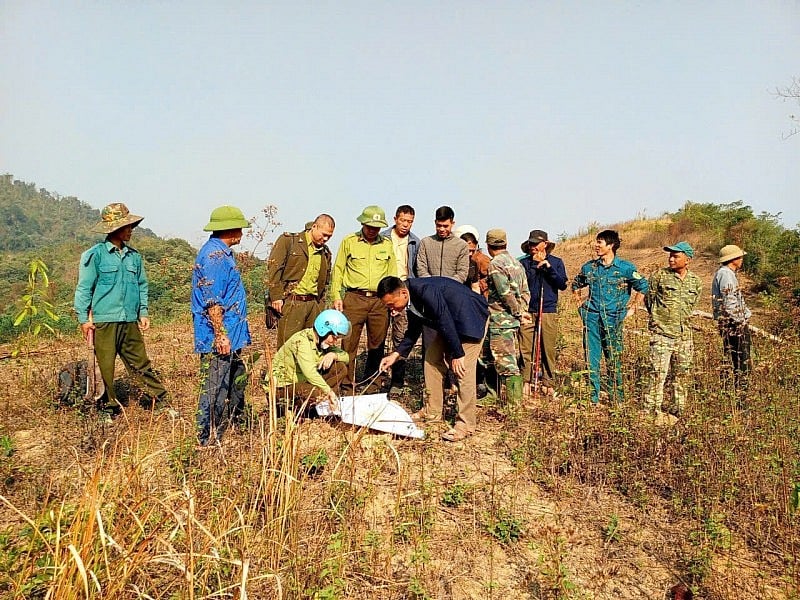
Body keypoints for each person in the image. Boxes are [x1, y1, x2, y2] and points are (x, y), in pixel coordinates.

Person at [74, 203, 168, 416]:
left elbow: (142, 285)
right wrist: (83, 319)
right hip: (104, 321)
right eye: (127, 226)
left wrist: (143, 312)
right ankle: (107, 408)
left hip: (129, 320)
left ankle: (157, 399)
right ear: (114, 229)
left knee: (140, 363)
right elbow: (84, 288)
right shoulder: (95, 255)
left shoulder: (134, 256)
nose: (131, 230)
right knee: (104, 368)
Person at [377, 276, 489, 442]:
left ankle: (465, 424)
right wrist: (396, 354)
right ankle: (433, 412)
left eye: (392, 305)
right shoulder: (410, 297)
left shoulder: (425, 291)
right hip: (448, 325)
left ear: (403, 293)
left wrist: (457, 354)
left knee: (462, 370)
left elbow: (444, 317)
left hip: (469, 321)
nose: (391, 311)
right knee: (431, 360)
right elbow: (414, 330)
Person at [192, 206, 252, 447]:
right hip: (221, 338)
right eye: (240, 228)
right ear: (232, 230)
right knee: (214, 389)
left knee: (235, 382)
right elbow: (212, 302)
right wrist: (221, 335)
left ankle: (235, 426)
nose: (242, 232)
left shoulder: (223, 253)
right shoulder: (213, 257)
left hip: (233, 335)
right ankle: (206, 438)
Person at [571, 229, 648, 405]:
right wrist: (579, 305)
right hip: (591, 318)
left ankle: (617, 398)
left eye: (600, 242)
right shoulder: (590, 267)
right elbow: (575, 284)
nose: (596, 246)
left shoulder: (625, 268)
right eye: (596, 242)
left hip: (614, 318)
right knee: (591, 357)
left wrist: (633, 308)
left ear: (611, 245)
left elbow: (643, 286)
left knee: (613, 357)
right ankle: (593, 398)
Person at [331, 205, 397, 392]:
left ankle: (372, 385)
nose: (372, 230)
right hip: (354, 299)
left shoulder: (386, 244)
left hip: (379, 302)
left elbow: (392, 275)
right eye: (369, 226)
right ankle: (345, 386)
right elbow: (338, 270)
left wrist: (391, 301)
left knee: (377, 345)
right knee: (348, 344)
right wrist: (336, 295)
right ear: (362, 223)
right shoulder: (349, 241)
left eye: (376, 227)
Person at [643, 242, 702, 418]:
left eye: (676, 256)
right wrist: (659, 321)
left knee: (682, 375)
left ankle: (679, 411)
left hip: (684, 336)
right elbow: (649, 300)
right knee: (657, 374)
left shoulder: (696, 282)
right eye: (670, 255)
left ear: (687, 259)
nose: (671, 259)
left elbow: (693, 305)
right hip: (662, 334)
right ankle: (651, 413)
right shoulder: (659, 276)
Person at [266, 214, 335, 348]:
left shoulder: (326, 253)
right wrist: (276, 297)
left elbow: (324, 282)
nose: (326, 239)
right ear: (314, 227)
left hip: (313, 305)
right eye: (324, 234)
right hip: (292, 303)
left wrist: (320, 306)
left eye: (329, 236)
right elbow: (274, 269)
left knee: (310, 348)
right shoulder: (289, 241)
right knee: (288, 348)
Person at [519, 230, 568, 397]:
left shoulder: (557, 262)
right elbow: (523, 285)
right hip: (528, 310)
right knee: (525, 347)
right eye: (530, 244)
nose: (533, 247)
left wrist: (548, 268)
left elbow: (562, 284)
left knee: (548, 348)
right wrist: (534, 266)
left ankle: (548, 382)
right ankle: (526, 380)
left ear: (545, 244)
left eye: (536, 243)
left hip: (548, 310)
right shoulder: (524, 263)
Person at [271, 309, 350, 412]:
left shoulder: (323, 342)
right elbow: (310, 373)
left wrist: (333, 355)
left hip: (303, 384)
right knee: (316, 393)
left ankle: (324, 404)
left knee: (340, 368)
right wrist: (329, 392)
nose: (334, 342)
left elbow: (346, 357)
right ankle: (312, 406)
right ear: (324, 330)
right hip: (282, 387)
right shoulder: (301, 341)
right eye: (334, 338)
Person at [484, 229, 531, 406]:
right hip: (511, 321)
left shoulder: (495, 264)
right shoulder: (516, 263)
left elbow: (504, 293)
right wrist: (522, 311)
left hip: (501, 320)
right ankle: (492, 394)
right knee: (493, 357)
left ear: (489, 246)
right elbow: (526, 292)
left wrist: (517, 312)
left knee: (506, 362)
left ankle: (514, 405)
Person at [381, 205, 420, 392]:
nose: (406, 225)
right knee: (379, 336)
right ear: (395, 219)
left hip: (402, 292)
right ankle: (376, 377)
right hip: (384, 291)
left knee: (400, 337)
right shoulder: (384, 238)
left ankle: (397, 381)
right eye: (403, 220)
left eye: (410, 221)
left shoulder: (415, 242)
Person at [711, 244, 752, 393]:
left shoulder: (726, 273)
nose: (742, 260)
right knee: (742, 362)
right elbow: (730, 303)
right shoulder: (726, 274)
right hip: (734, 324)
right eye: (740, 257)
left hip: (731, 323)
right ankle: (740, 398)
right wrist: (743, 318)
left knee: (735, 360)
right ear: (733, 259)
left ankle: (734, 394)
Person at [415, 205, 470, 282]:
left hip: (452, 290)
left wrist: (446, 286)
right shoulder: (425, 243)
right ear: (435, 222)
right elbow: (421, 268)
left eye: (445, 226)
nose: (441, 229)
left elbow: (462, 273)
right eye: (439, 225)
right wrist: (432, 284)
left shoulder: (462, 245)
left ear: (452, 223)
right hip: (429, 289)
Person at [454, 224, 491, 297]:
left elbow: (476, 286)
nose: (470, 254)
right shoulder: (451, 262)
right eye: (468, 251)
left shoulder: (476, 262)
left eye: (472, 251)